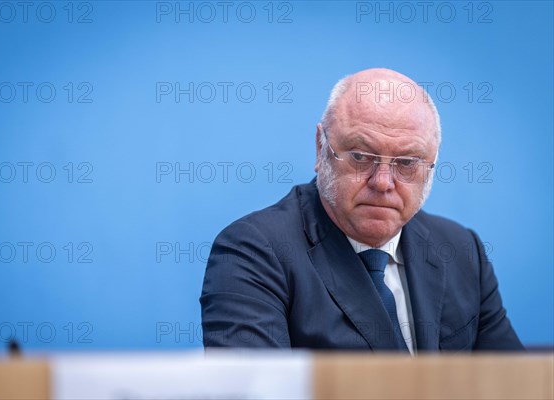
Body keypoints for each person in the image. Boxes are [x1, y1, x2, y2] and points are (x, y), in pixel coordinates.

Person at [199, 68, 524, 352]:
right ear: (321, 148)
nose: (383, 182)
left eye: (407, 163)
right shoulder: (253, 251)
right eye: (360, 156)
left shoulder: (460, 249)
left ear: (433, 164)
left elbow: (514, 386)